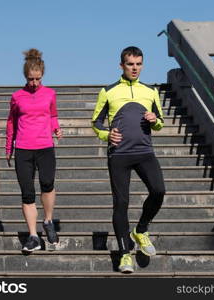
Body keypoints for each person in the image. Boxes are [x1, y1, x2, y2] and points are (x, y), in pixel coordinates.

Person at [91, 46, 166, 273]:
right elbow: (96, 122)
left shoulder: (151, 91)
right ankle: (124, 254)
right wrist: (107, 134)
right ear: (121, 65)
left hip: (144, 152)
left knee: (159, 190)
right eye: (130, 64)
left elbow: (161, 122)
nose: (135, 68)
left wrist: (154, 120)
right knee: (121, 203)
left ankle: (141, 230)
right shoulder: (108, 91)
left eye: (139, 64)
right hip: (119, 155)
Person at [6, 48, 62, 253]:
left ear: (42, 76)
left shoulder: (50, 93)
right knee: (27, 193)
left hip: (45, 147)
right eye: (31, 79)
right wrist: (8, 148)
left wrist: (56, 128)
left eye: (37, 79)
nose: (34, 83)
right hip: (23, 148)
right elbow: (11, 122)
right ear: (25, 76)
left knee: (47, 184)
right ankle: (33, 236)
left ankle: (48, 221)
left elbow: (53, 115)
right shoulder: (17, 96)